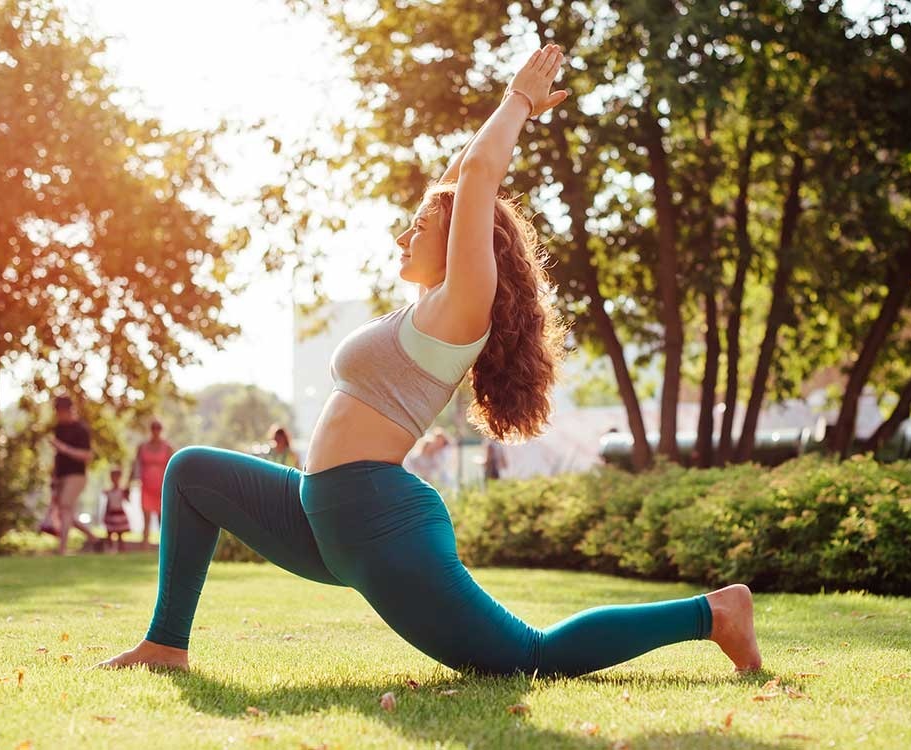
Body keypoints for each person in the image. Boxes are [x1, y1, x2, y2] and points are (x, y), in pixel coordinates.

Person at [100, 44, 760, 676]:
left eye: (419, 228)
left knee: (528, 656)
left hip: (375, 520)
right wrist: (471, 159)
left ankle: (714, 614)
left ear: (458, 245)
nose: (404, 232)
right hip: (320, 512)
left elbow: (475, 178)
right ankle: (166, 644)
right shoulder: (427, 304)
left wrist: (518, 103)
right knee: (190, 472)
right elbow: (452, 186)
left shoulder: (462, 305)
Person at [47, 395, 101, 555]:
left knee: (64, 507)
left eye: (59, 411)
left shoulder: (81, 429)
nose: (57, 415)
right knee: (66, 512)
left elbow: (87, 455)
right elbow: (57, 457)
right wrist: (54, 479)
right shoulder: (59, 428)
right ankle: (94, 538)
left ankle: (61, 549)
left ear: (67, 410)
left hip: (76, 475)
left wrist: (64, 448)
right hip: (61, 475)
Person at [128, 419, 174, 550]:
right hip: (146, 486)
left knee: (163, 519)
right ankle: (145, 547)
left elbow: (172, 467)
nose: (155, 431)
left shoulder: (167, 447)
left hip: (162, 487)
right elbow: (135, 465)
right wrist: (128, 484)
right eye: (153, 428)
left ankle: (164, 547)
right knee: (146, 519)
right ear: (151, 430)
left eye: (158, 428)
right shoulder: (142, 447)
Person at [102, 467, 131, 553]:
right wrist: (105, 515)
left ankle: (121, 550)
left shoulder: (122, 491)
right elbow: (108, 504)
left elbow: (128, 500)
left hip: (119, 514)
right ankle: (109, 549)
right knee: (109, 534)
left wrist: (127, 492)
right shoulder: (108, 492)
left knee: (120, 535)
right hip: (111, 514)